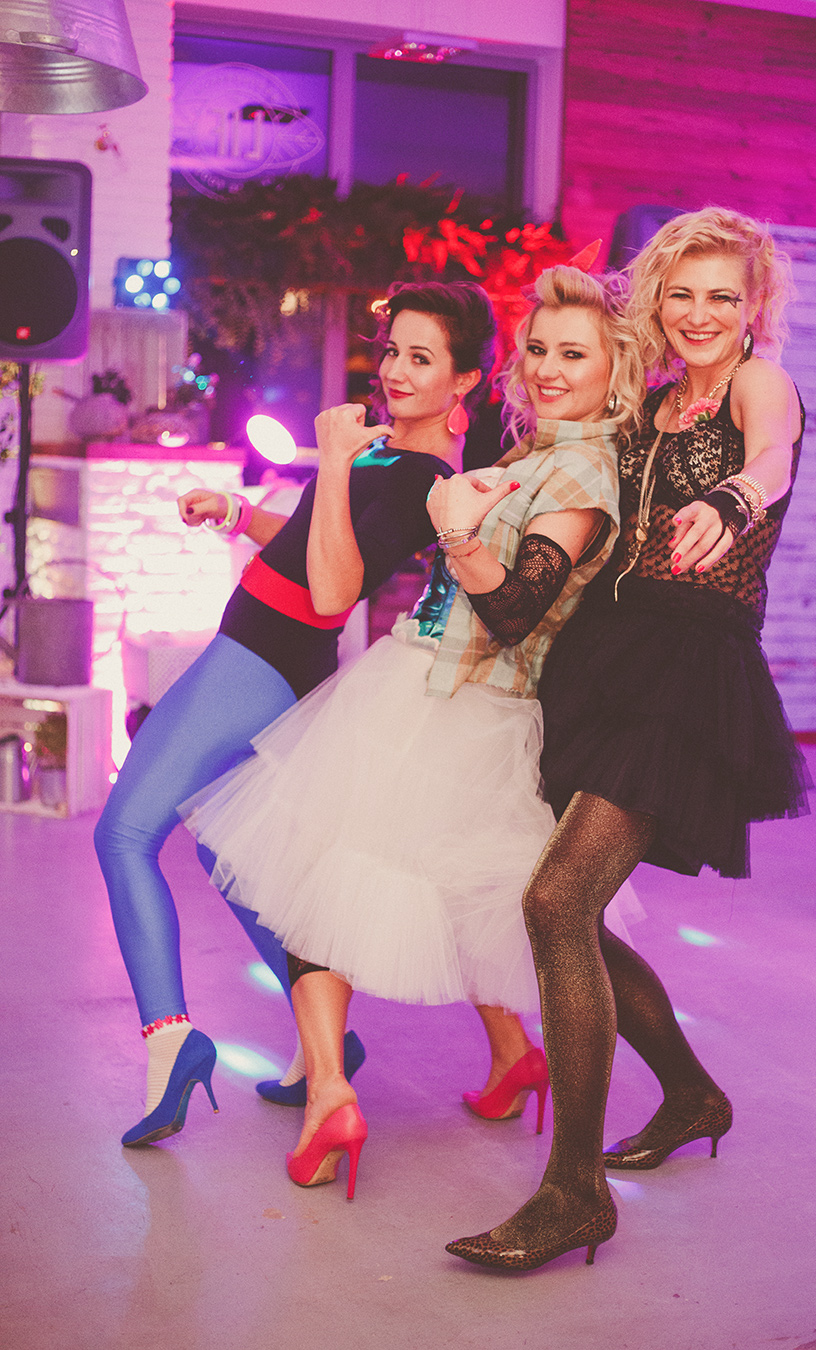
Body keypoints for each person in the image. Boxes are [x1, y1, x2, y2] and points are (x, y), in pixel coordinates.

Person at [182, 264, 646, 1196]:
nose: (548, 370)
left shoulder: (581, 472)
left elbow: (513, 612)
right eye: (540, 350)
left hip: (457, 698)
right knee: (443, 883)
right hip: (431, 680)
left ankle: (329, 1095)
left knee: (318, 872)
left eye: (574, 355)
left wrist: (459, 531)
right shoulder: (538, 451)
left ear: (616, 371)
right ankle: (513, 1057)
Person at [446, 207, 809, 1270]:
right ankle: (691, 1092)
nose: (700, 314)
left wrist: (736, 498)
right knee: (579, 915)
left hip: (688, 672)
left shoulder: (759, 385)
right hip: (604, 661)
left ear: (753, 306)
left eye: (722, 296)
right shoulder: (650, 401)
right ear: (656, 298)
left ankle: (574, 1195)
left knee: (556, 903)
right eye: (681, 293)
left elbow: (776, 455)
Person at [94, 279, 498, 1147]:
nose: (396, 372)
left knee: (123, 834)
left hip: (263, 660)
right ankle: (328, 1044)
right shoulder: (383, 452)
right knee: (230, 848)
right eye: (394, 352)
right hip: (262, 653)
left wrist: (335, 459)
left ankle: (172, 1041)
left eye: (423, 359)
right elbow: (316, 534)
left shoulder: (423, 479)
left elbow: (333, 589)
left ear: (464, 380)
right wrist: (241, 512)